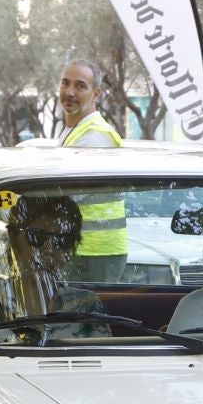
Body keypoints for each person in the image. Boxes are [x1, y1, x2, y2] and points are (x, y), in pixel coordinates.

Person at [0, 194, 106, 341]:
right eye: (37, 236)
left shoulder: (87, 305)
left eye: (63, 240)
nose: (49, 249)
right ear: (14, 239)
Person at [58, 60, 127, 281]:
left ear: (95, 94)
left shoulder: (96, 136)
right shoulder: (74, 131)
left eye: (80, 86)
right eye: (65, 83)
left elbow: (67, 193)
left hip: (96, 252)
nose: (69, 92)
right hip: (82, 248)